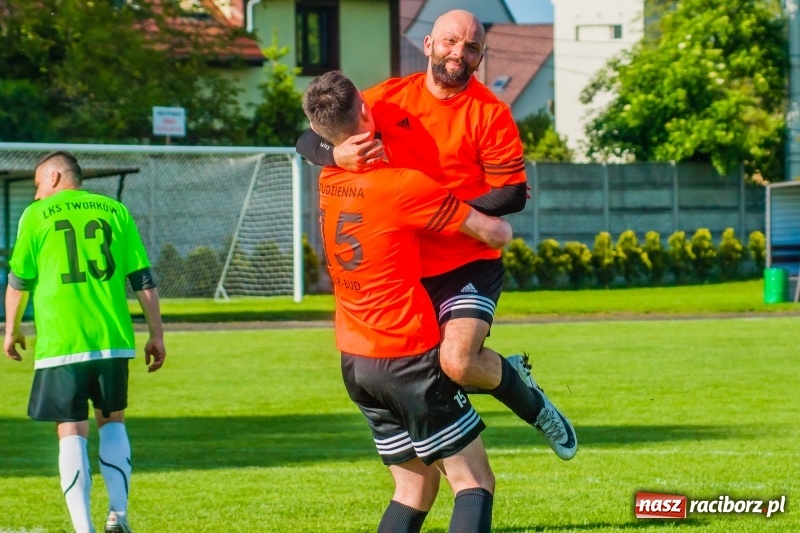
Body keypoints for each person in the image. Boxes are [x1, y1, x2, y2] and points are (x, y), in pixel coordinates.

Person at [297, 9, 577, 460]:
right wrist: (335, 154)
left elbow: (513, 194)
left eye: (470, 47)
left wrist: (441, 210)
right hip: (408, 271)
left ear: (481, 57)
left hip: (470, 260)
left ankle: (534, 405)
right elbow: (307, 139)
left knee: (459, 361)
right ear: (427, 45)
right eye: (450, 41)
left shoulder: (491, 113)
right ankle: (446, 486)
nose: (458, 53)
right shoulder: (386, 100)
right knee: (429, 381)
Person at [304, 70, 513, 533]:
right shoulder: (402, 185)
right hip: (406, 358)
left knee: (414, 489)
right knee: (474, 481)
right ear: (364, 112)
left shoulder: (327, 177)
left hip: (356, 362)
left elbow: (314, 148)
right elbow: (498, 233)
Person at [4, 151, 166, 533]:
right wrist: (156, 333)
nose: (36, 195)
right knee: (113, 422)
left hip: (63, 341)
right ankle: (119, 516)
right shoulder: (115, 210)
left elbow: (19, 280)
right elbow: (142, 278)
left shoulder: (35, 216)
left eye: (38, 185)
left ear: (55, 176)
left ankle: (84, 528)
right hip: (112, 339)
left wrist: (10, 330)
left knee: (70, 429)